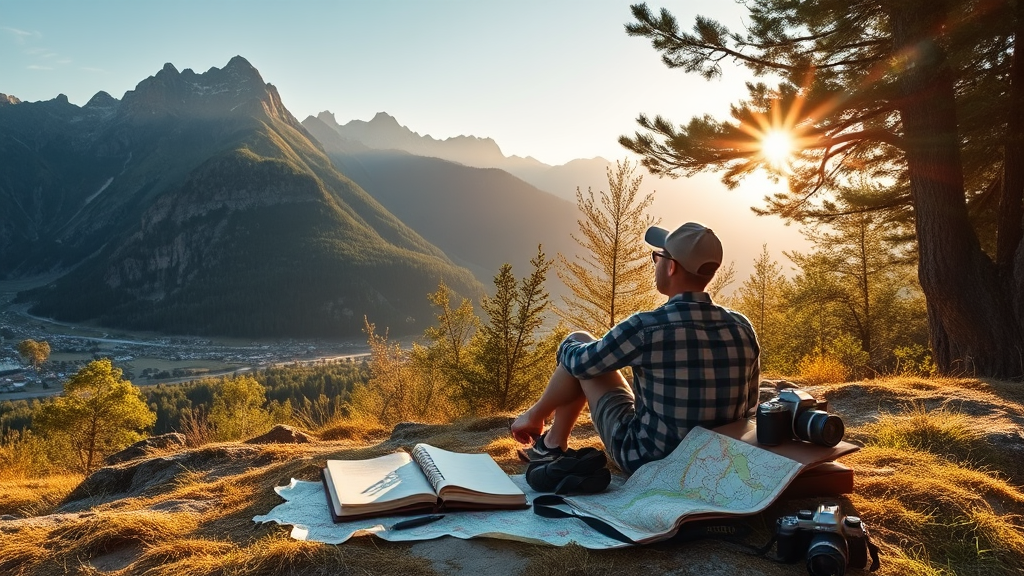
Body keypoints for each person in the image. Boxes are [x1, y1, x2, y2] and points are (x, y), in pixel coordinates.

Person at [511, 222, 761, 474]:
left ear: (671, 266)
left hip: (647, 459)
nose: (655, 264)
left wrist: (566, 342)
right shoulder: (742, 327)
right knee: (589, 356)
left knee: (580, 344)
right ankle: (546, 433)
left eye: (657, 257)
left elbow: (580, 365)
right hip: (718, 463)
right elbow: (749, 407)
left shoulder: (647, 327)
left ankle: (544, 433)